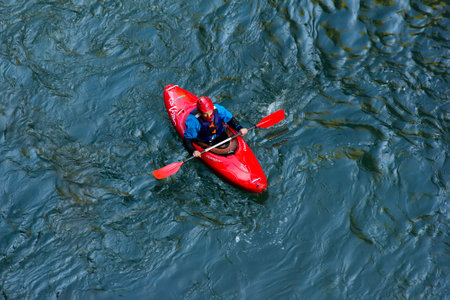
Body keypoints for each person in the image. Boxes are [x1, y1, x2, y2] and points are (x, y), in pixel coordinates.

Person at [183, 96, 248, 157]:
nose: (209, 116)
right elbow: (187, 139)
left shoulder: (219, 109)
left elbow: (230, 120)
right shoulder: (193, 121)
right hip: (204, 140)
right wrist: (193, 151)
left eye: (210, 112)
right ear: (200, 113)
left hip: (220, 133)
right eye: (205, 114)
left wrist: (240, 128)